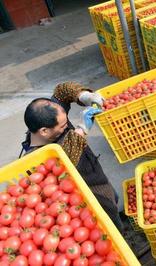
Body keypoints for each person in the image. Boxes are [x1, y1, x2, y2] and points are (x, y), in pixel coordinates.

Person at [20, 82, 123, 231]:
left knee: (113, 196)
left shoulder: (53, 116)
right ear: (44, 131)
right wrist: (82, 129)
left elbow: (62, 92)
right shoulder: (35, 160)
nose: (65, 126)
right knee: (108, 215)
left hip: (94, 170)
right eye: (62, 126)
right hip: (86, 190)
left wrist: (85, 96)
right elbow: (63, 158)